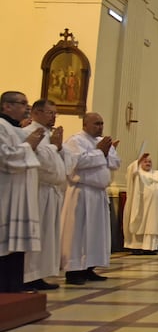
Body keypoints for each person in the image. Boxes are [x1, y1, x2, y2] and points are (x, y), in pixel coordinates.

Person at [60, 112, 121, 285]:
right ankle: (73, 271)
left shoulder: (100, 142)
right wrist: (100, 152)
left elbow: (116, 163)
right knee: (79, 232)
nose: (100, 127)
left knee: (95, 233)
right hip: (81, 191)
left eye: (102, 123)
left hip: (98, 192)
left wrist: (106, 152)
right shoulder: (75, 141)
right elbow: (76, 162)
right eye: (96, 123)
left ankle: (89, 267)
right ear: (85, 124)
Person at [0, 91, 43, 293]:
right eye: (22, 103)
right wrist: (29, 146)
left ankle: (14, 286)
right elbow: (5, 157)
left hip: (19, 192)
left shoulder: (17, 129)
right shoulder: (1, 126)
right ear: (6, 106)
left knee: (17, 241)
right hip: (6, 192)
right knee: (6, 240)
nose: (27, 107)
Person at [22, 99, 65, 290]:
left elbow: (66, 164)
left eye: (55, 113)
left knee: (47, 235)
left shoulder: (50, 135)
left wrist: (59, 148)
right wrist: (55, 147)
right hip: (36, 189)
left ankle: (39, 274)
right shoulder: (29, 133)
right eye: (50, 113)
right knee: (36, 233)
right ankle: (28, 274)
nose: (54, 116)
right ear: (37, 113)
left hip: (52, 191)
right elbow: (41, 162)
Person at [123, 153, 158, 255]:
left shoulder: (156, 173)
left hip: (153, 206)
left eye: (150, 162)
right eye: (145, 161)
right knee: (139, 223)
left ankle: (149, 247)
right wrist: (139, 159)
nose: (148, 163)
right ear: (140, 163)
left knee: (151, 225)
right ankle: (136, 246)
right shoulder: (137, 173)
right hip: (140, 204)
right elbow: (131, 170)